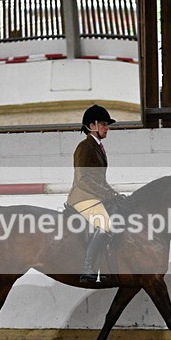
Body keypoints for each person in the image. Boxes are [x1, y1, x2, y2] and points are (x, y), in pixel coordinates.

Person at [67, 104, 127, 284]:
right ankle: (87, 267)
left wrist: (116, 194)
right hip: (83, 197)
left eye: (107, 125)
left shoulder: (98, 146)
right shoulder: (84, 147)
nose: (107, 128)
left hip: (94, 195)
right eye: (103, 124)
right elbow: (83, 179)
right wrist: (107, 195)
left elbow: (100, 180)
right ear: (91, 126)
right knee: (105, 224)